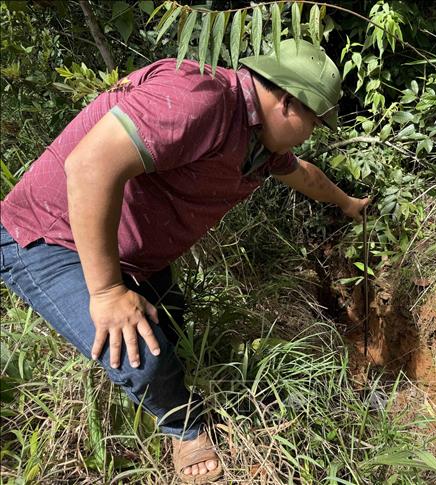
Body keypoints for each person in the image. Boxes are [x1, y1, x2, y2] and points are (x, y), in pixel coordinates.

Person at [0, 39, 369, 483]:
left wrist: (347, 203)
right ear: (288, 102)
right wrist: (107, 292)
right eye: (314, 122)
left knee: (171, 320)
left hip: (129, 249)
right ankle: (183, 425)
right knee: (144, 357)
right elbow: (90, 166)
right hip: (50, 237)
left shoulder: (258, 140)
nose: (313, 133)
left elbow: (303, 173)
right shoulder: (201, 98)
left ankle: (154, 342)